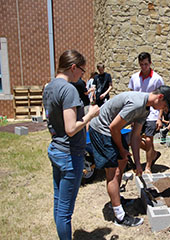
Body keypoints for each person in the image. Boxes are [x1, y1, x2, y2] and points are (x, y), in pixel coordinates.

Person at [88, 85, 170, 227]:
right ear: (160, 97)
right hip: (101, 130)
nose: (161, 109)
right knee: (113, 173)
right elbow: (113, 128)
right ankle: (120, 216)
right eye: (164, 106)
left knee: (122, 162)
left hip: (111, 130)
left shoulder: (145, 110)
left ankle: (116, 200)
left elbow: (135, 136)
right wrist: (122, 150)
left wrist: (138, 163)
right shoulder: (136, 104)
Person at [42, 50, 100, 240]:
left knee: (59, 203)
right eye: (82, 71)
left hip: (57, 149)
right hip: (69, 154)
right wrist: (90, 115)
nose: (82, 75)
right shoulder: (68, 89)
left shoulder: (49, 86)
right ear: (73, 67)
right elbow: (71, 128)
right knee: (65, 211)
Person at [128, 52, 164, 173]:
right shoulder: (134, 78)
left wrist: (159, 117)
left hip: (152, 114)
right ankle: (151, 154)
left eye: (146, 64)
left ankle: (148, 166)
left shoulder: (157, 79)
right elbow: (131, 97)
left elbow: (162, 99)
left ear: (150, 63)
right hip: (138, 114)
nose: (144, 67)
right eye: (141, 64)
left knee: (149, 140)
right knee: (134, 139)